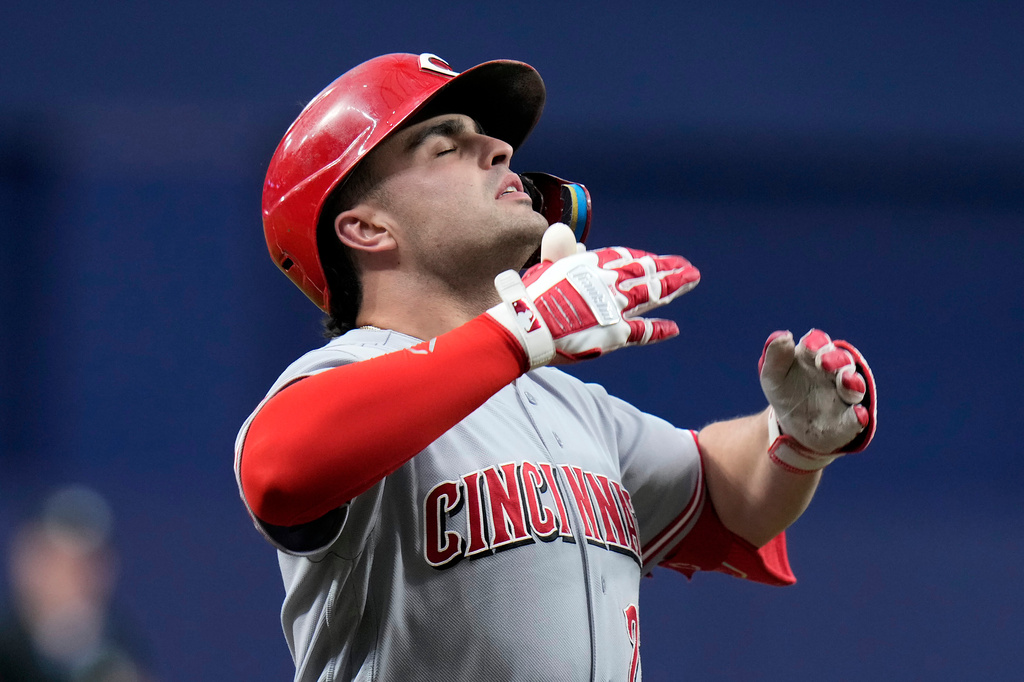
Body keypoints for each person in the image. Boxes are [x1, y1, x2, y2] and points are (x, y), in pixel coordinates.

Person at [234, 52, 877, 682]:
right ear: (367, 229)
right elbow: (278, 471)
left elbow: (721, 494)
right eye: (444, 145)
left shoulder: (565, 402)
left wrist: (790, 439)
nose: (499, 149)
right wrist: (517, 333)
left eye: (489, 137)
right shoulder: (343, 374)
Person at [0, 486, 154, 682]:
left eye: (88, 561)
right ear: (26, 561)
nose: (75, 577)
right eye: (58, 561)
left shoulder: (121, 645)